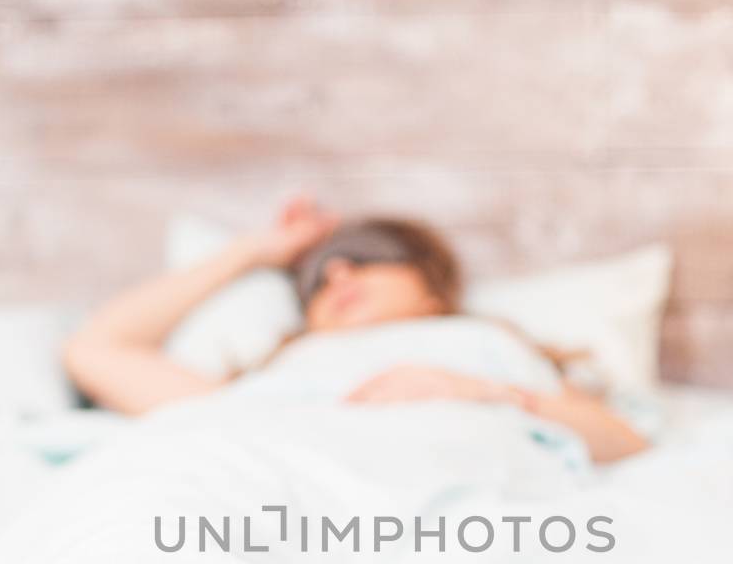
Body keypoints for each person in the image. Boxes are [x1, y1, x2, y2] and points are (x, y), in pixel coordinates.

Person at [63, 198, 648, 463]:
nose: (338, 273)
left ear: (429, 285)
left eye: (365, 257)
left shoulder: (484, 347)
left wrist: (482, 392)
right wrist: (256, 251)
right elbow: (96, 350)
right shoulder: (276, 380)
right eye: (317, 279)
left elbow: (623, 441)